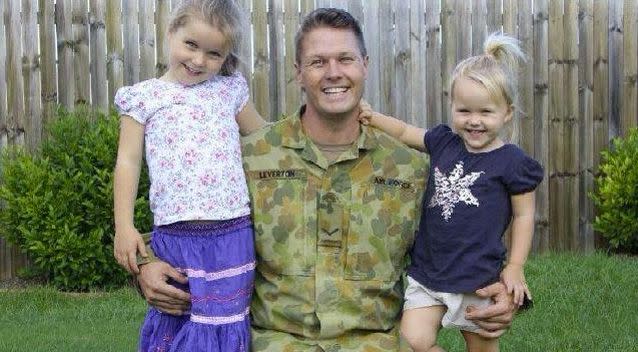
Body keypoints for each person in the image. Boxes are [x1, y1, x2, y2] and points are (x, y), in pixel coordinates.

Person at [135, 8, 519, 351]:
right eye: (318, 61)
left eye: (345, 59)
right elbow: (188, 219)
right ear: (298, 73)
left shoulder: (410, 167)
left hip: (377, 344)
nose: (333, 72)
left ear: (364, 65)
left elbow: (462, 239)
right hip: (272, 342)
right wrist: (146, 267)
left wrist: (502, 287)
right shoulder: (251, 155)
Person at [359, 33, 543, 351]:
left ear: (507, 113)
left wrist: (515, 266)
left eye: (485, 112)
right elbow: (404, 131)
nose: (474, 121)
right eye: (464, 111)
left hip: (479, 279)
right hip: (429, 273)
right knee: (412, 341)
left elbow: (525, 215)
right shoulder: (444, 141)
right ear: (452, 107)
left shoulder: (511, 161)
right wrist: (373, 118)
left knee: (482, 347)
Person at [112, 0, 266, 351]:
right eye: (191, 45)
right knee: (174, 318)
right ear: (171, 34)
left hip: (231, 236)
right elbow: (128, 161)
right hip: (175, 238)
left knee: (224, 326)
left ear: (226, 57)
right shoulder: (144, 98)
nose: (198, 61)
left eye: (213, 54)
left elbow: (264, 140)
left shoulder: (229, 91)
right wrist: (124, 226)